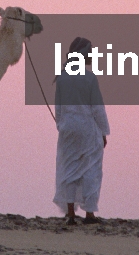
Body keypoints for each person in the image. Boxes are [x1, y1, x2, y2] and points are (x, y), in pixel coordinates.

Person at [53, 36, 110, 224]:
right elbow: (97, 108)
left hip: (68, 128)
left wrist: (62, 126)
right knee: (91, 169)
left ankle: (70, 214)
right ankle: (90, 214)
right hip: (87, 128)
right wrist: (103, 131)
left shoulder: (62, 77)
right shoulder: (89, 78)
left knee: (69, 169)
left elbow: (59, 110)